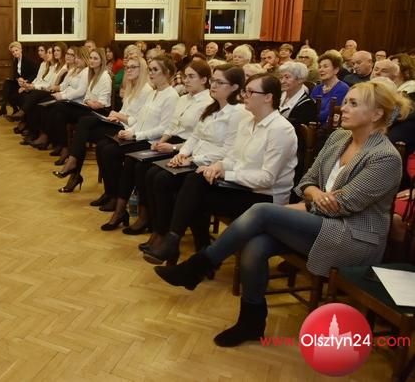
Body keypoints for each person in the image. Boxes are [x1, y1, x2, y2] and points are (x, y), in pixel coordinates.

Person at [156, 81, 411, 348]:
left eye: (353, 104)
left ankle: (200, 265)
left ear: (377, 114)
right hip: (321, 223)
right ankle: (251, 321)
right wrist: (316, 194)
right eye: (346, 101)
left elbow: (344, 204)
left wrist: (307, 201)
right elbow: (306, 182)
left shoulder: (385, 157)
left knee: (262, 211)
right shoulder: (339, 138)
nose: (343, 108)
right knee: (256, 244)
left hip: (353, 238)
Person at [142, 73, 297, 265]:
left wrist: (226, 173)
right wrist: (216, 167)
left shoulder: (281, 129)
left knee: (194, 195)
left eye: (250, 92)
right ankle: (180, 245)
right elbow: (232, 157)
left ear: (268, 97)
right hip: (241, 186)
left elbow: (267, 179)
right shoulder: (248, 121)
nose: (244, 95)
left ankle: (183, 248)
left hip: (265, 198)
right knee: (196, 180)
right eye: (245, 91)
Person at [139, 65, 247, 252]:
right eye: (213, 81)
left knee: (163, 179)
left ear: (235, 87)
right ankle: (158, 230)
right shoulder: (212, 107)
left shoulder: (238, 112)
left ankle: (166, 235)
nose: (213, 85)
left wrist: (193, 160)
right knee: (152, 174)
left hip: (211, 165)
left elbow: (228, 150)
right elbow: (195, 137)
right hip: (193, 159)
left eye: (220, 82)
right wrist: (182, 153)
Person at [117, 59, 214, 233]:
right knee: (138, 163)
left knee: (150, 172)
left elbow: (197, 137)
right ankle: (146, 216)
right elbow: (171, 126)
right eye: (185, 76)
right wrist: (161, 141)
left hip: (186, 147)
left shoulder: (208, 102)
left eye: (191, 77)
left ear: (204, 80)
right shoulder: (183, 98)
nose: (186, 80)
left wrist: (174, 148)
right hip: (171, 141)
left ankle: (157, 224)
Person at [96, 56, 180, 226]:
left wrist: (135, 136)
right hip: (140, 136)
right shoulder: (154, 93)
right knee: (104, 146)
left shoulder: (171, 96)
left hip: (151, 141)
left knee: (121, 156)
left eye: (155, 70)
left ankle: (123, 209)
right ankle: (115, 201)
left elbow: (164, 128)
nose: (151, 73)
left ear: (167, 73)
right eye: (150, 69)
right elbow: (140, 119)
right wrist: (129, 131)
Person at [55, 56, 151, 194]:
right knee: (84, 125)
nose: (128, 70)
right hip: (119, 124)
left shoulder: (146, 90)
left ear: (142, 70)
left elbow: (138, 122)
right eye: (127, 67)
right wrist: (116, 116)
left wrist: (118, 116)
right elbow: (124, 111)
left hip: (129, 131)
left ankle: (74, 169)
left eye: (133, 67)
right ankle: (74, 169)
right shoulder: (132, 86)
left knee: (87, 128)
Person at [46, 46, 112, 162]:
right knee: (59, 114)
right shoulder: (93, 74)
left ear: (102, 61)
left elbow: (101, 104)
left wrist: (89, 102)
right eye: (91, 58)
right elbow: (86, 97)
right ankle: (65, 148)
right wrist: (88, 101)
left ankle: (66, 150)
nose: (92, 61)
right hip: (88, 107)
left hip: (98, 112)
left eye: (95, 58)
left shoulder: (105, 77)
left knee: (59, 106)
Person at [0, 41, 38, 117]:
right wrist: (18, 79)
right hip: (20, 83)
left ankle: (4, 107)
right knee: (7, 83)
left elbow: (35, 74)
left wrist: (26, 80)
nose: (15, 53)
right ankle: (6, 106)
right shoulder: (15, 60)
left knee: (9, 89)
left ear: (21, 49)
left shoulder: (28, 60)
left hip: (27, 83)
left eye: (16, 50)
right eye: (13, 52)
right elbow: (15, 74)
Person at [310, 51, 349, 124]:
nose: (321, 70)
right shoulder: (317, 88)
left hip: (328, 126)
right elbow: (309, 108)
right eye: (320, 67)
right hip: (313, 124)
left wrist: (310, 116)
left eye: (325, 67)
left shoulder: (342, 88)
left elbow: (328, 114)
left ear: (336, 70)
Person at [278, 62, 315, 126]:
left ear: (300, 80)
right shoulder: (278, 96)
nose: (282, 81)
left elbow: (297, 127)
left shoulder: (307, 104)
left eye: (287, 77)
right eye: (281, 77)